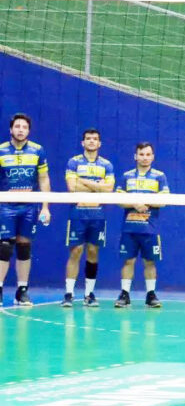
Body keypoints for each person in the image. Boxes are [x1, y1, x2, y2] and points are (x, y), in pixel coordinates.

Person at [0, 113, 50, 307]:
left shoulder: (38, 150)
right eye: (17, 126)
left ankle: (22, 291)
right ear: (11, 129)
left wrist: (45, 206)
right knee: (4, 248)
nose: (21, 130)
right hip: (6, 206)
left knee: (24, 247)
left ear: (29, 131)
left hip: (29, 205)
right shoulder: (2, 151)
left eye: (24, 127)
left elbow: (43, 178)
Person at [62, 128, 115, 308]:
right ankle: (69, 293)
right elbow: (71, 186)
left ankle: (88, 294)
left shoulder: (107, 165)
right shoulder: (73, 162)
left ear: (99, 143)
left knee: (93, 251)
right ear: (82, 143)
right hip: (78, 212)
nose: (91, 141)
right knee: (75, 251)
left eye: (95, 139)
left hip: (97, 214)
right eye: (88, 139)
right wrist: (96, 185)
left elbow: (109, 189)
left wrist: (83, 181)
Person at [115, 142, 169, 309]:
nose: (145, 158)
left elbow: (165, 199)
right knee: (128, 261)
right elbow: (118, 199)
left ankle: (151, 294)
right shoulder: (127, 176)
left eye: (148, 154)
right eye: (142, 154)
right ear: (135, 156)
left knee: (150, 262)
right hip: (130, 227)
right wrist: (134, 203)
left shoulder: (160, 176)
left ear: (152, 156)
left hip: (150, 228)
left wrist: (146, 202)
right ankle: (124, 294)